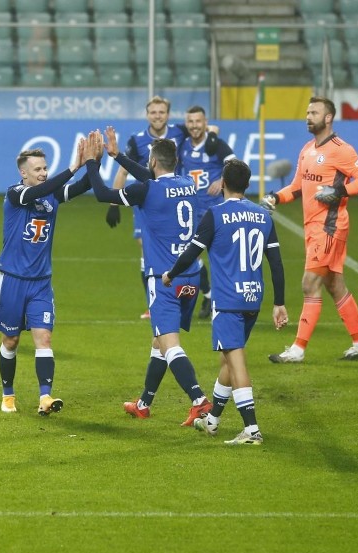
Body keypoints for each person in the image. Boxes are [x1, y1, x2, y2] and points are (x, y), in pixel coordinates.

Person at [86, 128, 212, 426]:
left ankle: (198, 399)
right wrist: (118, 156)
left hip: (164, 278)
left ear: (154, 161)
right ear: (176, 161)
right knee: (159, 342)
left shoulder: (146, 190)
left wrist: (94, 162)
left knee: (169, 344)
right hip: (191, 277)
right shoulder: (187, 185)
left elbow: (104, 195)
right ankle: (143, 404)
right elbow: (151, 177)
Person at [162, 158, 289, 445]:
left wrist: (171, 274)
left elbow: (192, 252)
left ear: (223, 183)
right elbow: (277, 263)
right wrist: (279, 302)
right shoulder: (263, 216)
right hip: (253, 298)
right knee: (228, 360)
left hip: (228, 300)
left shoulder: (215, 215)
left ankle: (252, 429)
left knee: (237, 362)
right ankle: (213, 420)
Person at [260, 96, 358, 363]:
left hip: (329, 227)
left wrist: (339, 191)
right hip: (314, 227)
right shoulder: (307, 150)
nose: (308, 116)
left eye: (314, 112)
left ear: (328, 118)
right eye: (307, 111)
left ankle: (298, 349)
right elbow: (297, 186)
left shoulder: (341, 149)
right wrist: (276, 197)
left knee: (309, 283)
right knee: (335, 286)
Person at [0, 141, 92, 415]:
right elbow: (43, 190)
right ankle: (8, 395)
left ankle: (45, 398)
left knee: (44, 339)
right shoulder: (15, 194)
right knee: (10, 341)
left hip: (40, 283)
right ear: (24, 173)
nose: (44, 173)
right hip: (12, 280)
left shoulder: (52, 195)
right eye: (38, 169)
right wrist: (73, 167)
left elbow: (85, 186)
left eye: (45, 168)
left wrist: (92, 162)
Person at [105, 96, 188, 320]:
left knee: (183, 249)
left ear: (168, 115)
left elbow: (208, 131)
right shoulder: (137, 140)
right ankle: (153, 304)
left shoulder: (180, 132)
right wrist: (114, 204)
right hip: (148, 202)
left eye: (161, 112)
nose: (157, 116)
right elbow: (123, 171)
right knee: (147, 250)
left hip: (176, 199)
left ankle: (197, 295)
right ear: (147, 114)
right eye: (153, 112)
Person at [178, 105, 237, 319]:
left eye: (198, 121)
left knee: (222, 257)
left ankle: (226, 301)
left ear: (205, 122)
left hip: (216, 212)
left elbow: (236, 165)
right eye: (190, 122)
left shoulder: (217, 146)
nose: (194, 126)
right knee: (188, 255)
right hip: (192, 212)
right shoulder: (182, 146)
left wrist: (222, 179)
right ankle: (209, 294)